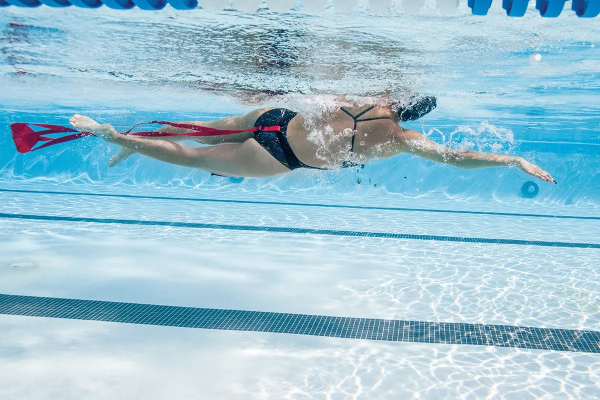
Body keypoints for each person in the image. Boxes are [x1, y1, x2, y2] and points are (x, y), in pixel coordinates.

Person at [68, 95, 556, 184]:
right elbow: (458, 159)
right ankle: (118, 138)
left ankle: (132, 136)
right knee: (197, 158)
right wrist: (510, 161)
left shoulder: (370, 96)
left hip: (277, 116)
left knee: (208, 126)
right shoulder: (403, 139)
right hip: (281, 155)